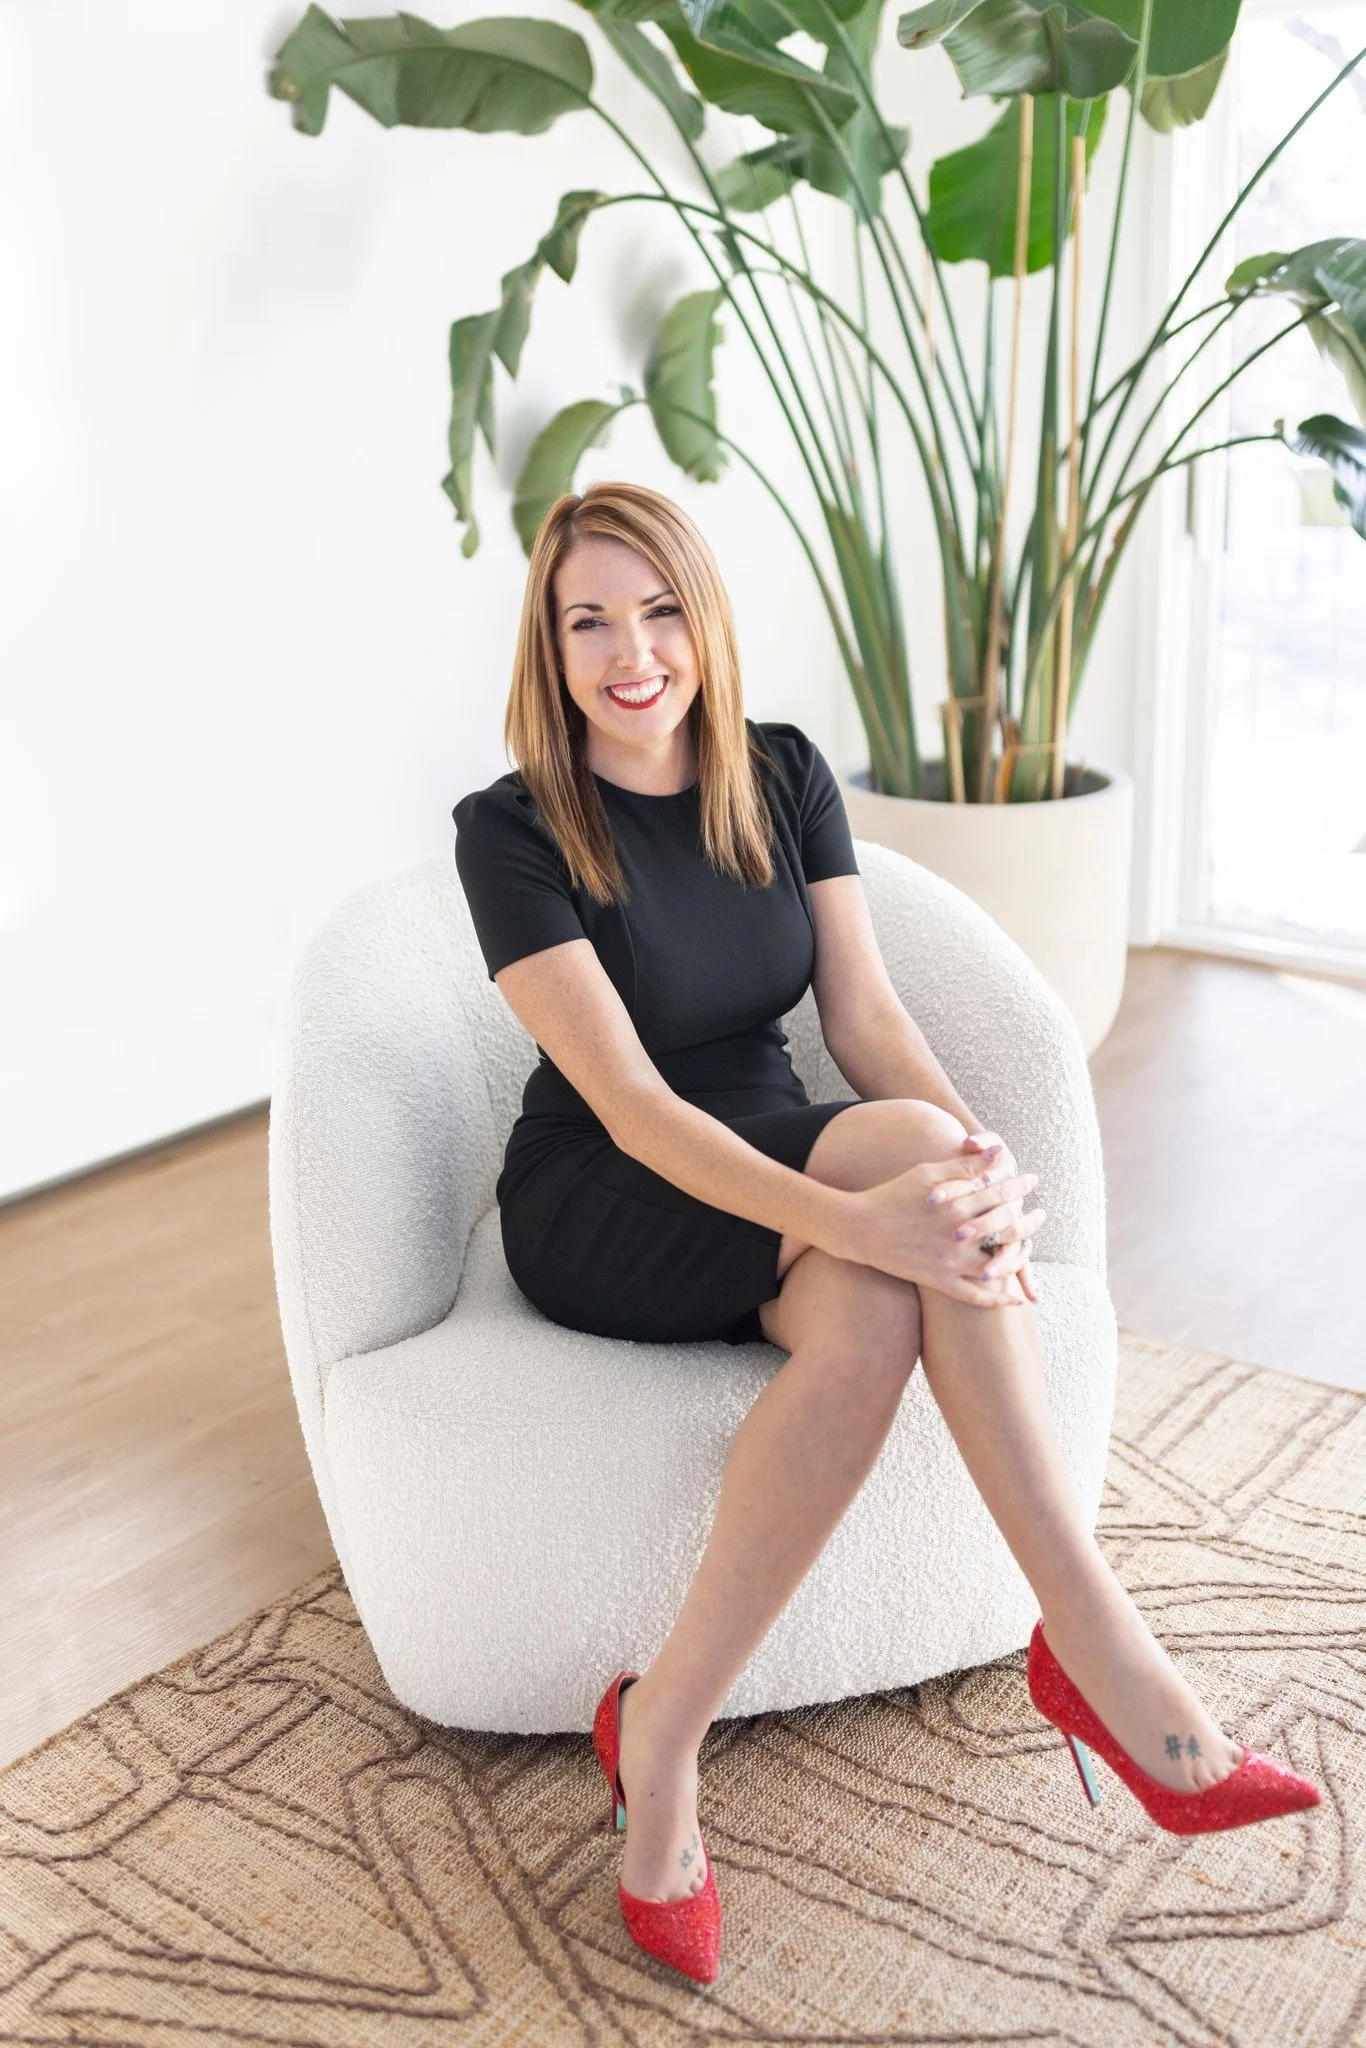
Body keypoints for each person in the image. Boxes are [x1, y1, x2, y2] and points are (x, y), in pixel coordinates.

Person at [451, 480, 1320, 1986]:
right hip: (606, 1193)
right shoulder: (513, 830)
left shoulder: (778, 773)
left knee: (884, 1265)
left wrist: (972, 1167)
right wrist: (868, 1214)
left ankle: (661, 1733)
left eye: (658, 611)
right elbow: (643, 1112)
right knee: (888, 1226)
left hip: (778, 1142)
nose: (630, 653)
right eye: (588, 622)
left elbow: (861, 1017)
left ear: (703, 620)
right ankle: (1101, 1658)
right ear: (550, 643)